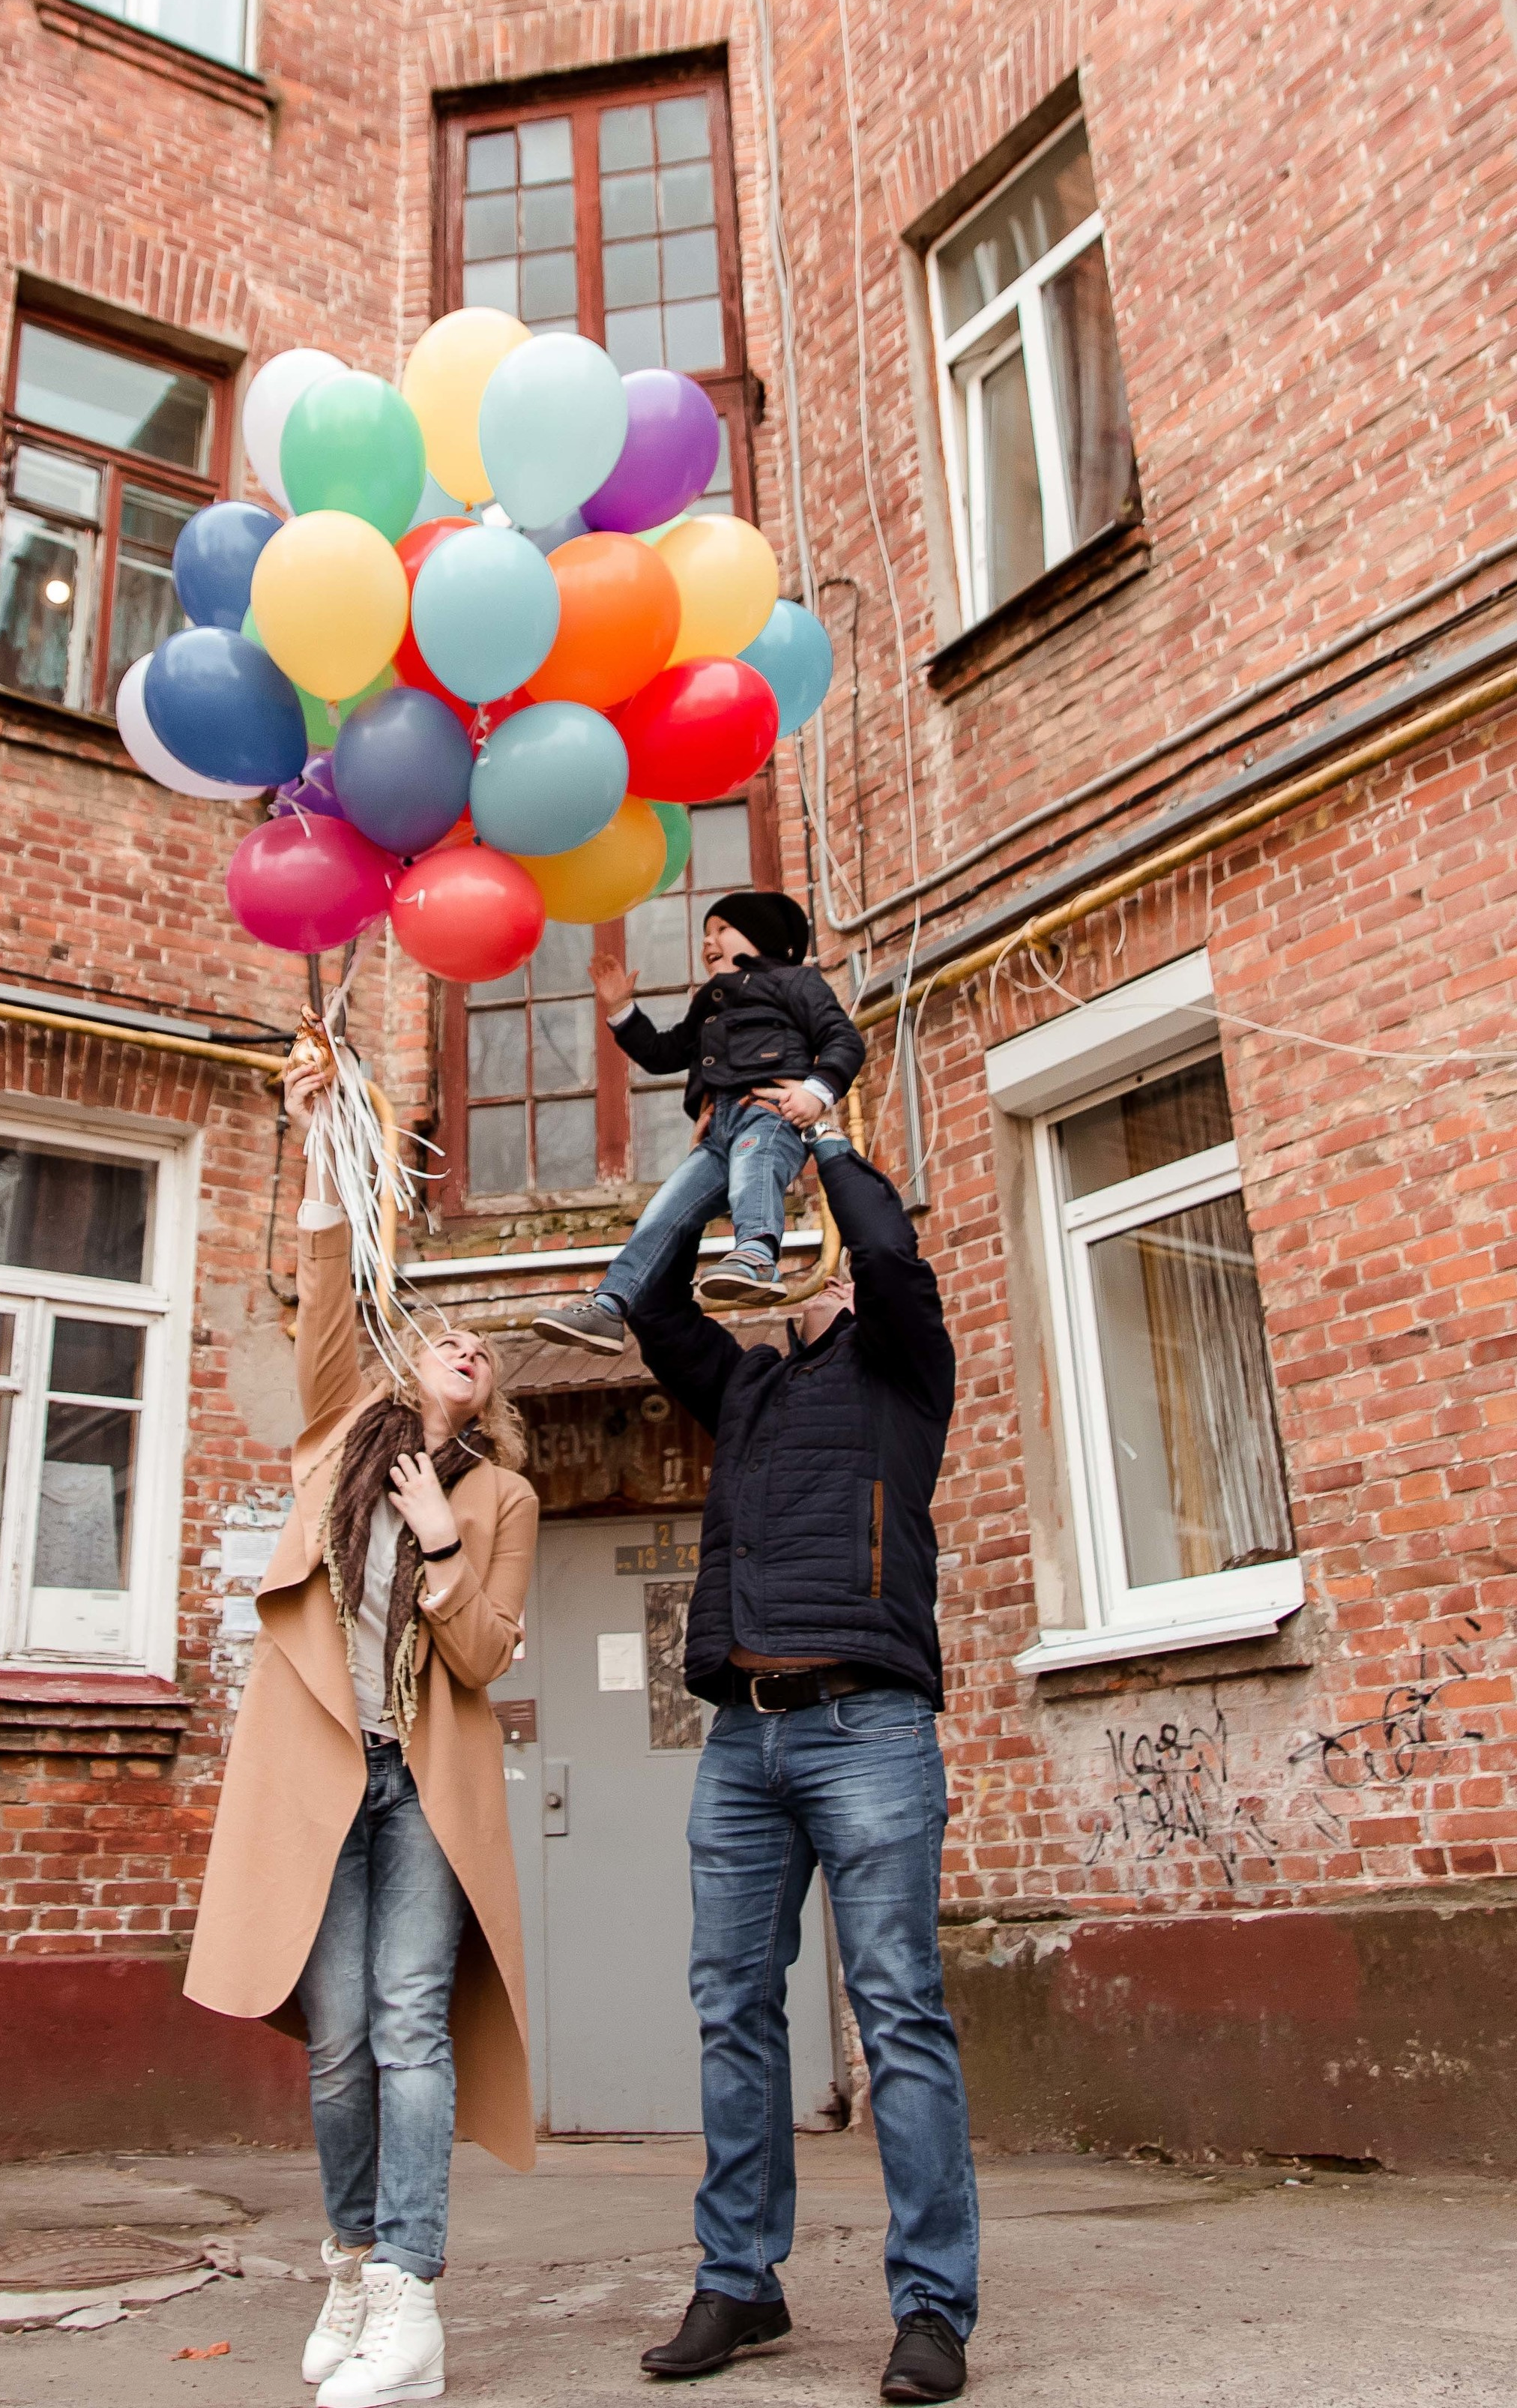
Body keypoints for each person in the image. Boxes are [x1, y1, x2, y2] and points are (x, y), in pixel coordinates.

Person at [185, 1047, 539, 2408]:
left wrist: (445, 1545)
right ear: (413, 1359)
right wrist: (325, 1133)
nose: (464, 1344)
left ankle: (410, 2295)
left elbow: (488, 1652)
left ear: (490, 1394)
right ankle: (345, 2258)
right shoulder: (341, 1432)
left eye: (483, 1348)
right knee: (336, 2040)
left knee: (409, 2027)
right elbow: (325, 1290)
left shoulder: (503, 1500)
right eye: (447, 1333)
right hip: (319, 1782)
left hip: (423, 1792)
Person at [629, 1110, 979, 2405]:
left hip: (870, 1727)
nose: (816, 1268)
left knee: (898, 2014)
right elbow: (655, 1300)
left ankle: (934, 2308)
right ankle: (742, 2282)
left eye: (822, 1253)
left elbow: (890, 1256)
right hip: (744, 1740)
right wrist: (735, 1163)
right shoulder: (748, 1384)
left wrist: (824, 1146)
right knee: (731, 2005)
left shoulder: (906, 1370)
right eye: (806, 1253)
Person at [532, 890, 865, 1353]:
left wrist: (815, 1092)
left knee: (755, 1169)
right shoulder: (708, 1002)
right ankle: (610, 1305)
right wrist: (620, 1010)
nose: (708, 941)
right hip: (715, 1132)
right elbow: (664, 1053)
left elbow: (842, 1040)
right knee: (663, 1212)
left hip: (768, 1114)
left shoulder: (796, 982)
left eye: (721, 930)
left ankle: (757, 1255)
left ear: (760, 937)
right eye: (705, 934)